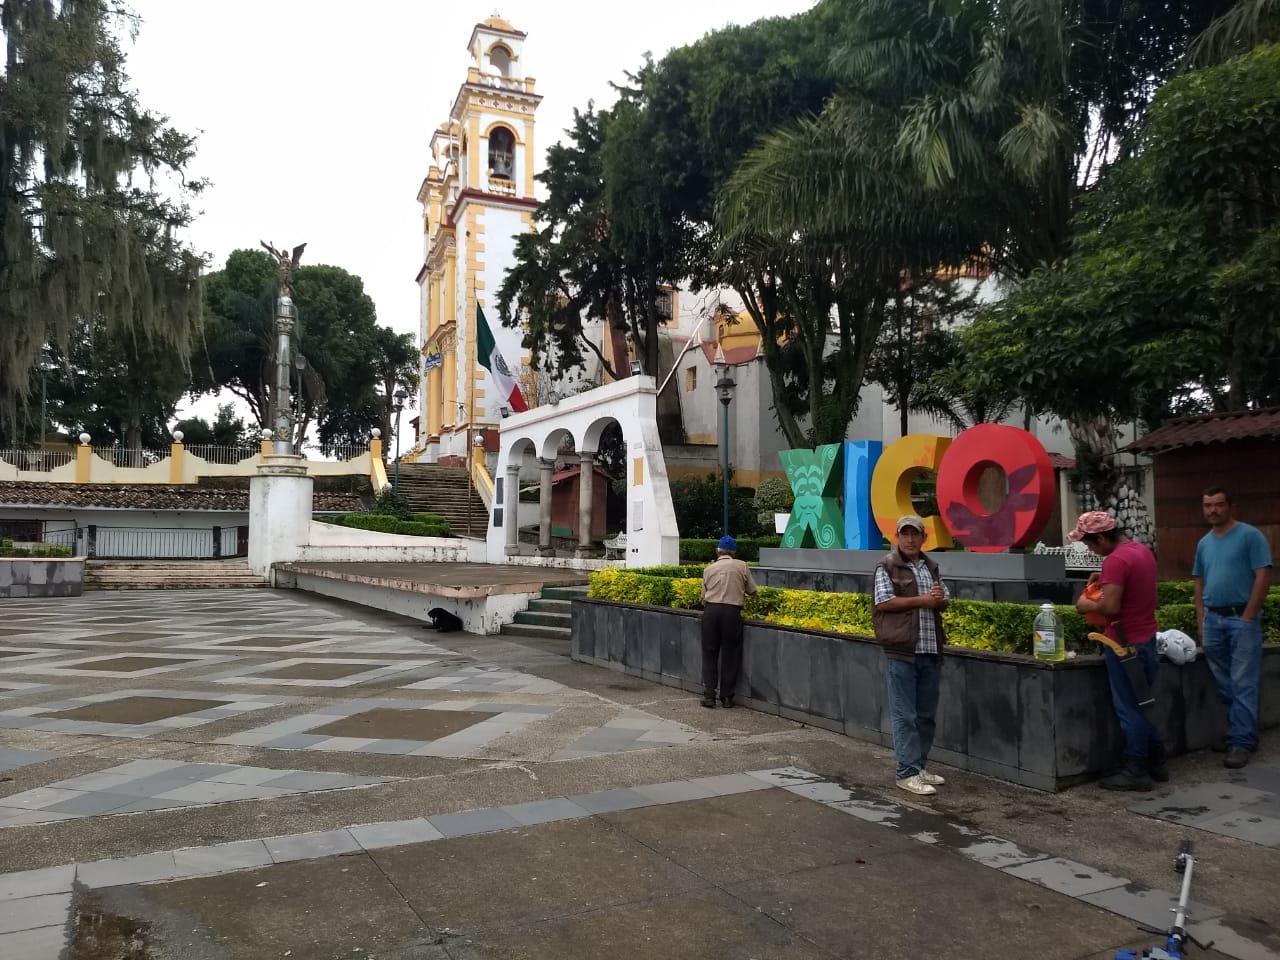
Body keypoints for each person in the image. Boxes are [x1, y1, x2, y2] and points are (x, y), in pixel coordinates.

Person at [1071, 510, 1164, 791]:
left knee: (1129, 709)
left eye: (1090, 544)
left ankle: (1135, 769)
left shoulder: (1116, 560)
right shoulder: (1141, 552)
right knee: (1143, 705)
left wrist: (1085, 605)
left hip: (1123, 645)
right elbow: (1131, 585)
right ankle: (1157, 762)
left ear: (1100, 537)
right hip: (1147, 639)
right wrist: (1109, 579)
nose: (1090, 550)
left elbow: (1110, 608)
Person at [1193, 487, 1273, 769]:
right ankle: (1242, 733)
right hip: (1214, 620)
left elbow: (1263, 574)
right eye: (1207, 505)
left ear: (1230, 506)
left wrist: (1249, 616)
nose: (1213, 510)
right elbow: (1199, 582)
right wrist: (1201, 619)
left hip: (1241, 618)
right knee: (1225, 682)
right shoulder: (1204, 543)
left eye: (1218, 505)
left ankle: (1240, 742)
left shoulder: (1250, 536)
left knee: (1243, 681)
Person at [872, 514, 950, 796]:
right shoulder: (887, 566)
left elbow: (943, 599)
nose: (909, 538)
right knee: (905, 715)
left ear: (923, 537)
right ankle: (906, 773)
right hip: (902, 650)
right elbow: (884, 602)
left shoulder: (931, 566)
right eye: (904, 534)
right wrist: (925, 601)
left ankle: (919, 767)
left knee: (926, 716)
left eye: (914, 534)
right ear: (897, 537)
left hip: (930, 650)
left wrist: (940, 600)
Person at [699, 535, 757, 708]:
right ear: (734, 552)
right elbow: (752, 591)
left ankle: (710, 695)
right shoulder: (742, 566)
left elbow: (703, 595)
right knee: (731, 654)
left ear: (718, 550)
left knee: (710, 653)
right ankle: (727, 697)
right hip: (732, 613)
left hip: (711, 612)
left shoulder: (709, 569)